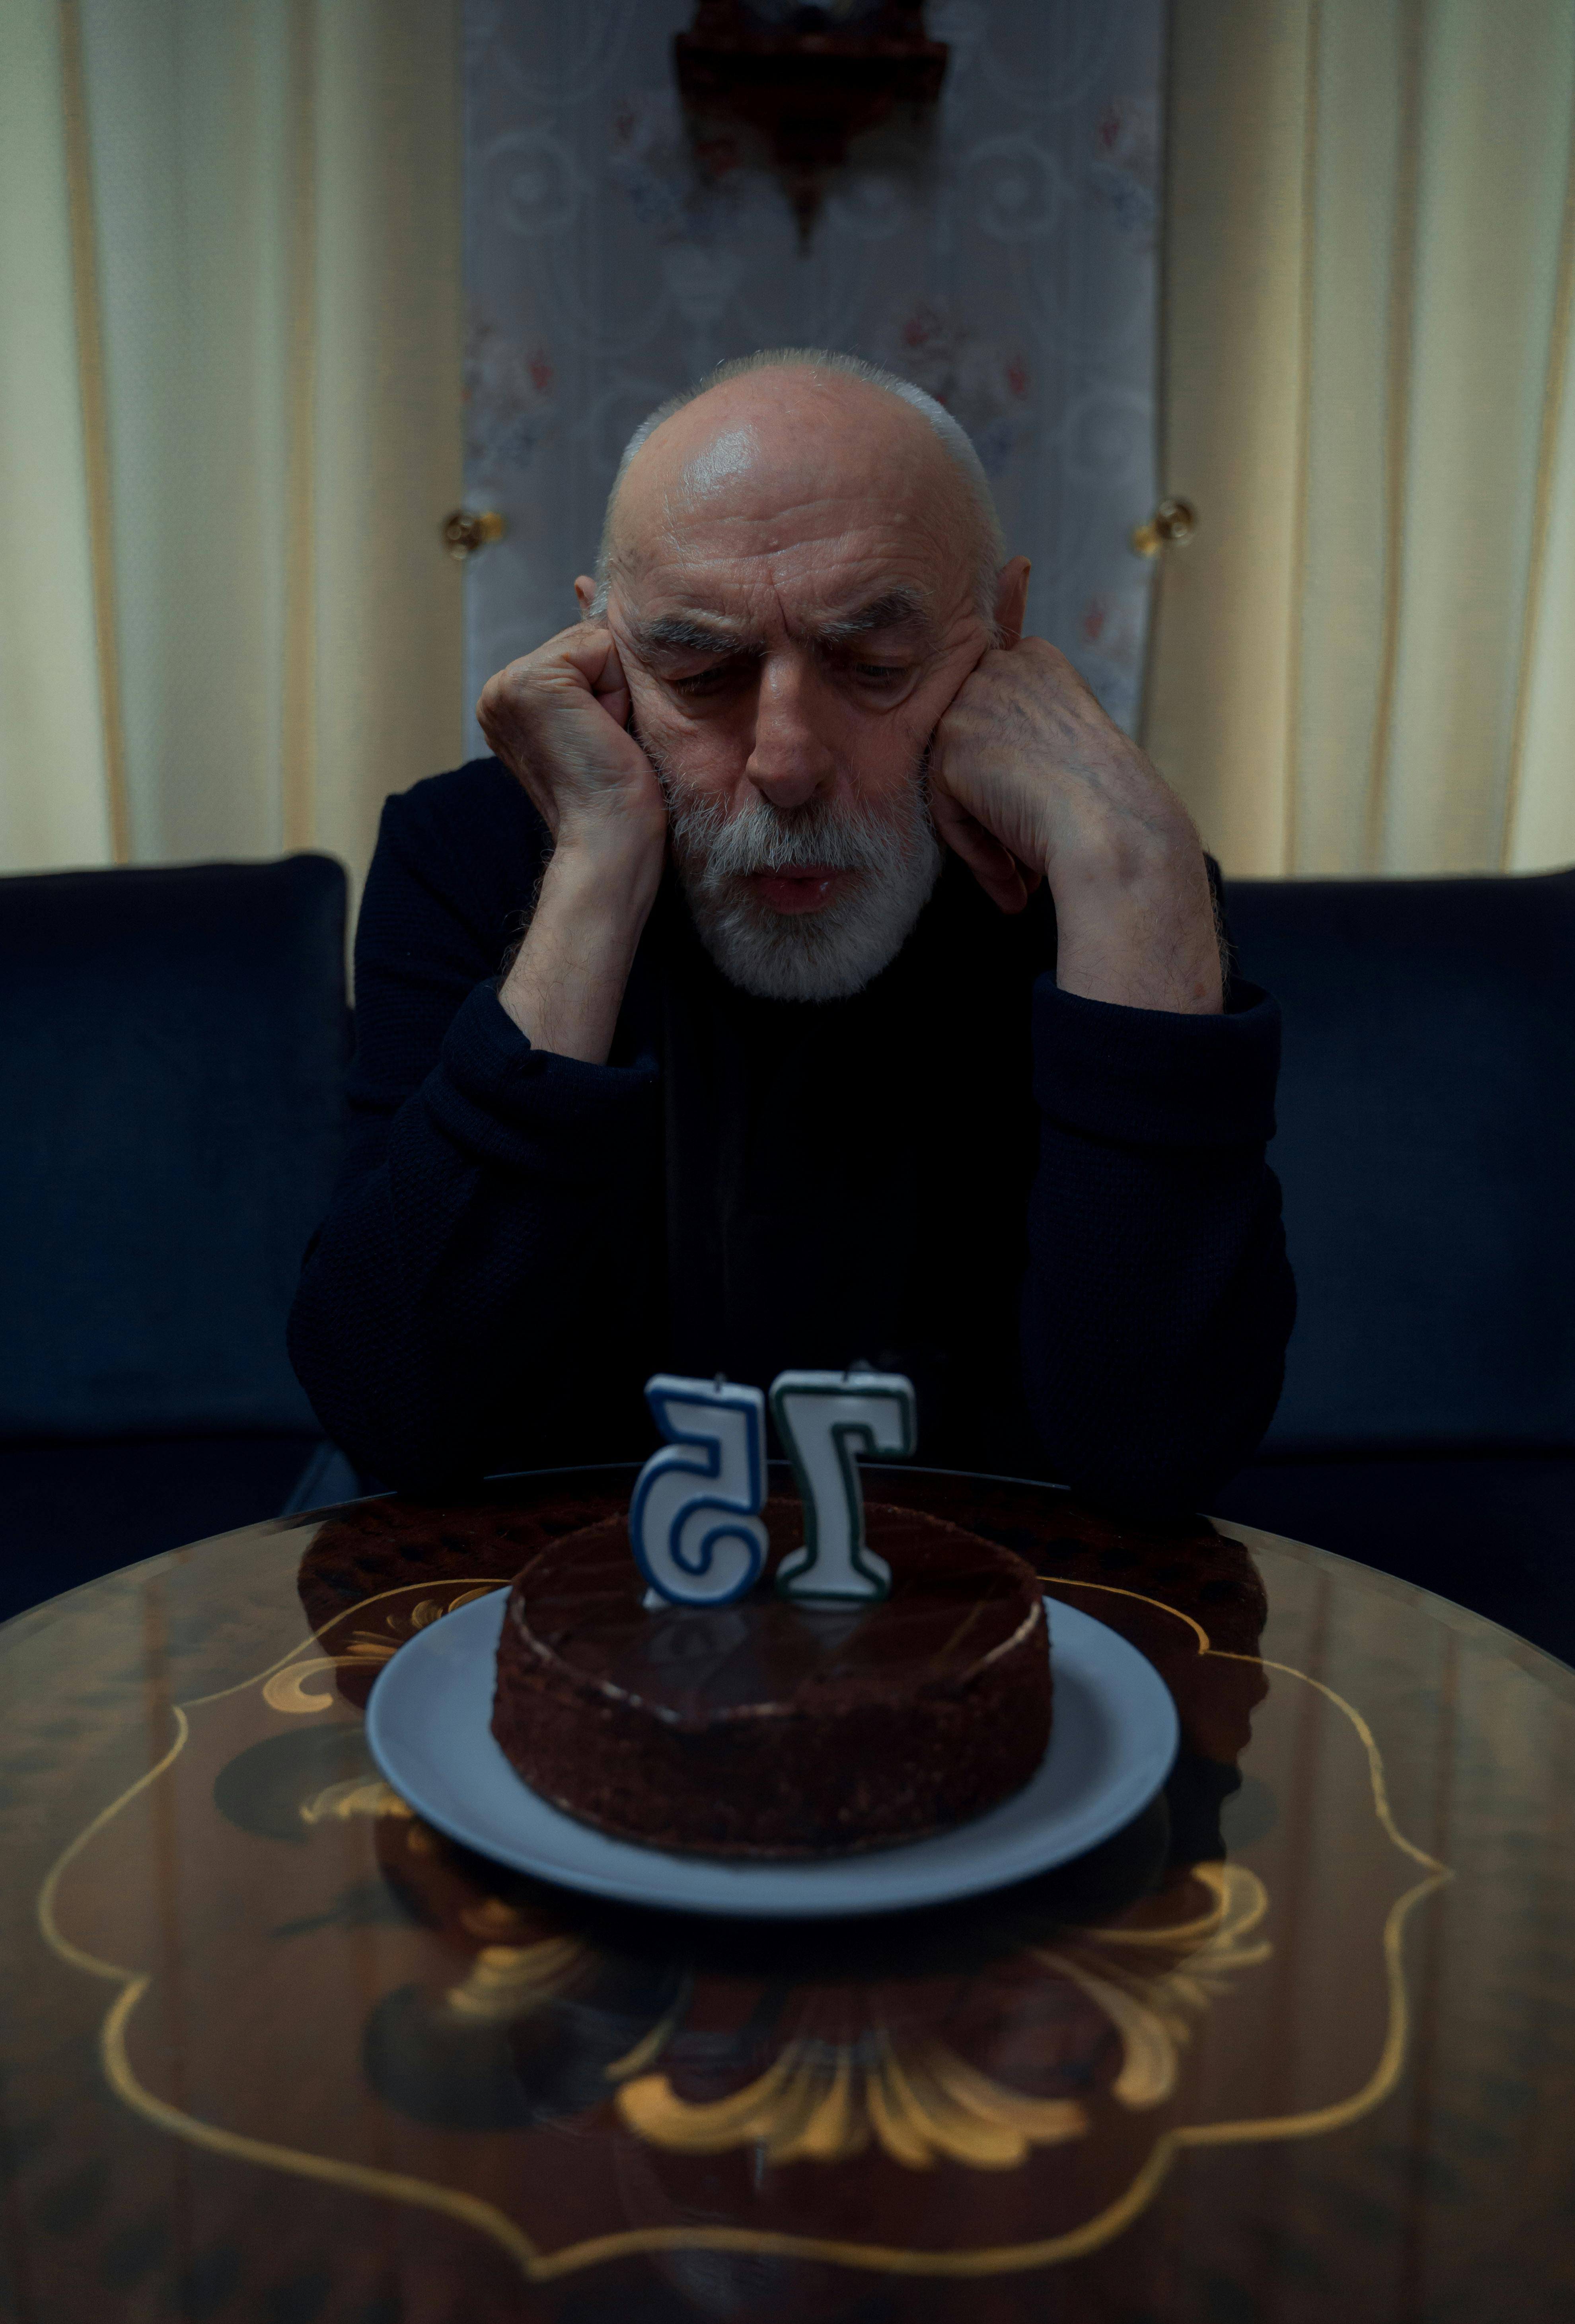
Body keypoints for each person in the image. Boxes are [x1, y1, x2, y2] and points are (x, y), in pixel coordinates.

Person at [289, 349, 1293, 1503]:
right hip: (557, 1612)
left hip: (983, 1622)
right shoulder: (468, 852)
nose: (786, 762)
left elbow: (1156, 1454)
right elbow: (391, 1411)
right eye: (700, 672)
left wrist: (1135, 868)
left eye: (874, 665)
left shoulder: (1115, 881)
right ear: (603, 654)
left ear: (1000, 630)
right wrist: (598, 864)